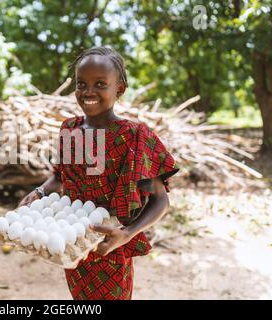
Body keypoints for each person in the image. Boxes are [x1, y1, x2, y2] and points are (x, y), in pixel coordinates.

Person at [19, 46, 179, 300]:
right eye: (81, 84)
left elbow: (161, 200)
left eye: (100, 84)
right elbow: (60, 177)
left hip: (111, 246)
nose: (88, 91)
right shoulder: (70, 129)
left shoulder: (134, 137)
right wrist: (39, 192)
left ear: (120, 88)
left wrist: (126, 234)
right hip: (72, 242)